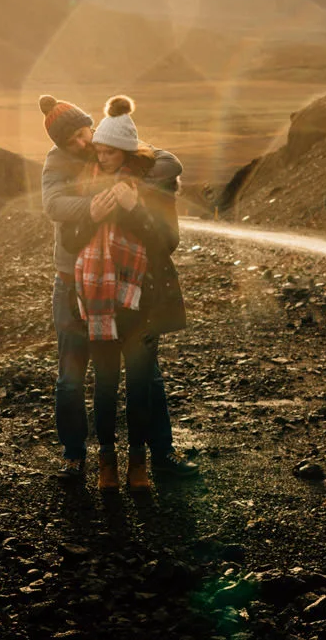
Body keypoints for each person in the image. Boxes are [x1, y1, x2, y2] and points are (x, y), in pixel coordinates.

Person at [39, 93, 198, 490]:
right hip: (72, 281)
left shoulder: (106, 146)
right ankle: (75, 457)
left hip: (123, 282)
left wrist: (132, 189)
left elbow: (166, 161)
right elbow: (53, 204)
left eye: (83, 133)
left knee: (147, 376)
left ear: (92, 125)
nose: (82, 143)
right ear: (59, 145)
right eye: (71, 140)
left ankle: (160, 454)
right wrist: (92, 206)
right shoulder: (57, 162)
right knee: (72, 378)